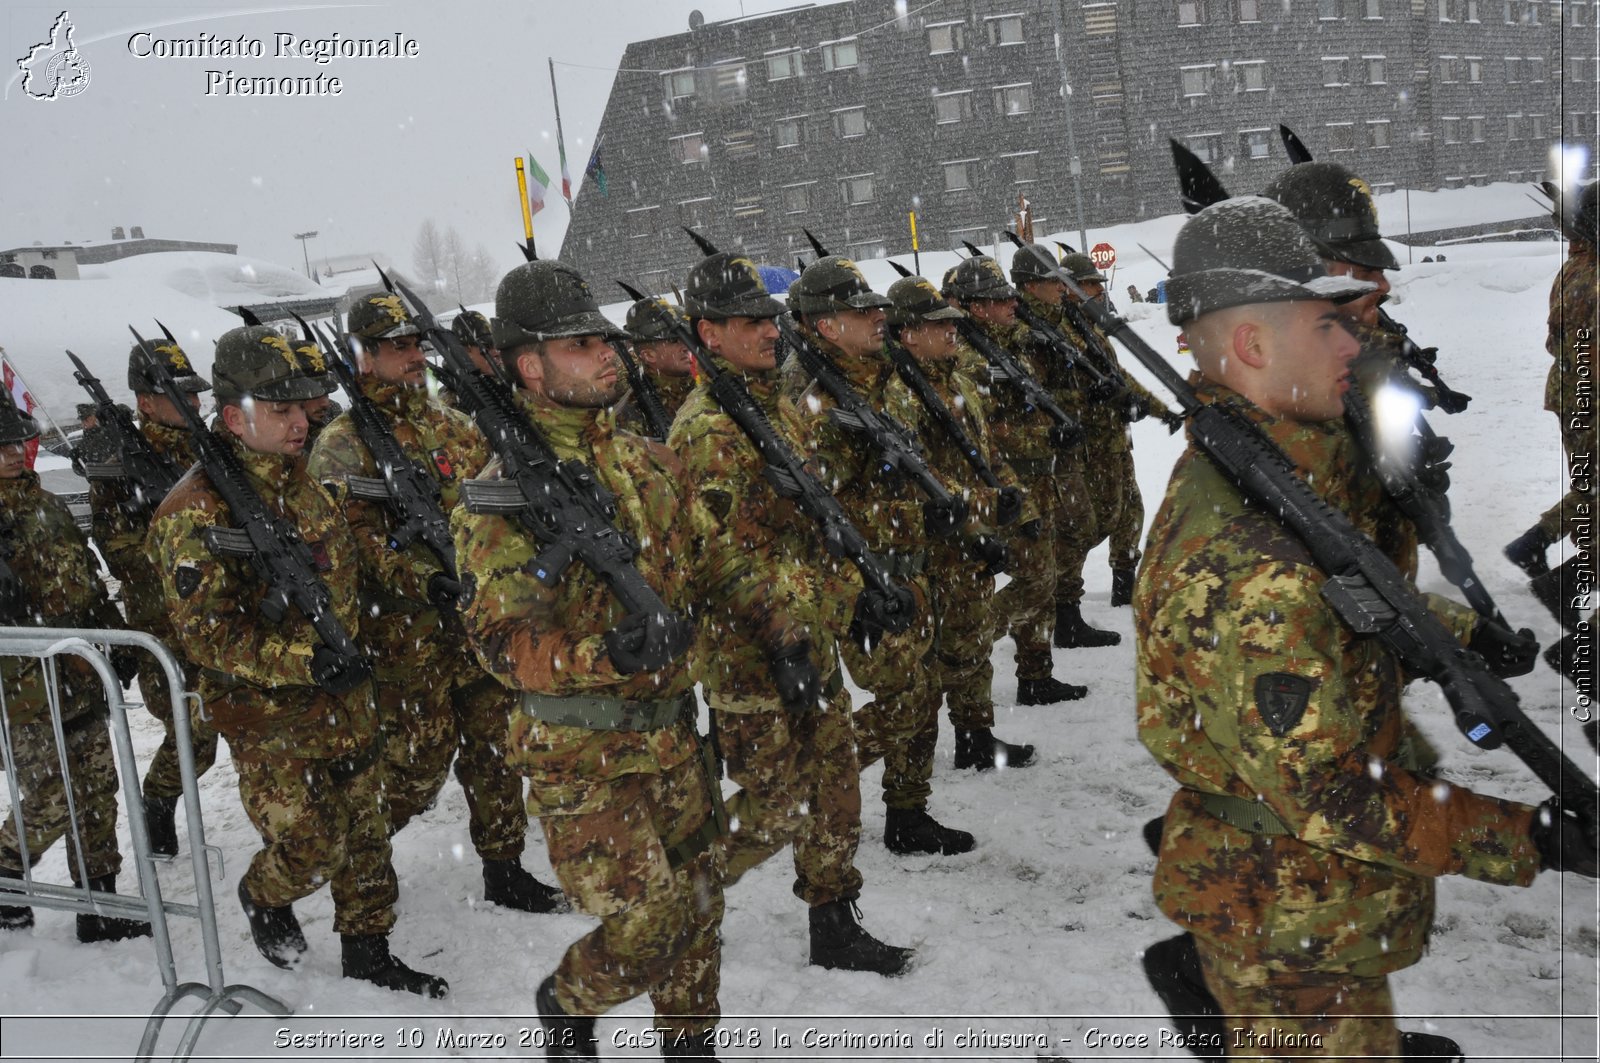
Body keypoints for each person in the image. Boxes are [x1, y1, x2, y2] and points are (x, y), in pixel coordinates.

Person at [1136, 197, 1590, 1059]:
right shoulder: (1244, 555)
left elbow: (1345, 600)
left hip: (1313, 909)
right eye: (1329, 323)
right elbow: (1333, 797)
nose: (1355, 343)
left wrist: (1449, 629)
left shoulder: (1288, 476)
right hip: (1284, 920)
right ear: (1253, 345)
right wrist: (1531, 838)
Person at [452, 259, 722, 1059]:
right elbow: (502, 644)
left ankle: (691, 1048)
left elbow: (706, 573)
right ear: (529, 365)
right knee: (648, 922)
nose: (609, 353)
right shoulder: (502, 495)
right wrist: (604, 652)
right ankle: (569, 998)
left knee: (700, 911)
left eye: (604, 338)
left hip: (676, 734)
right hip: (584, 752)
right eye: (581, 343)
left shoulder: (647, 463)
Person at [149, 324, 446, 997]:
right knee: (316, 841)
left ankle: (368, 949)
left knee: (367, 827)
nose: (300, 422)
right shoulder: (193, 512)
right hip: (269, 717)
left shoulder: (302, 482)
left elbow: (350, 565)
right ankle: (263, 892)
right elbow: (209, 636)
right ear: (232, 416)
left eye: (302, 408)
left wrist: (416, 585)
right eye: (280, 410)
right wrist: (304, 661)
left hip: (344, 694)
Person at [669, 247, 912, 975]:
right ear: (708, 333)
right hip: (751, 653)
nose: (770, 332)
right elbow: (720, 562)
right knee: (775, 804)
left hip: (810, 636)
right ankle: (681, 892)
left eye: (770, 319)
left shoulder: (779, 405)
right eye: (748, 322)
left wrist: (852, 592)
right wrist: (786, 635)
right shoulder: (706, 430)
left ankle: (833, 923)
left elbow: (812, 523)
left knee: (836, 787)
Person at [308, 293, 563, 914]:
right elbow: (351, 544)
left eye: (415, 343)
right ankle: (327, 860)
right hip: (402, 637)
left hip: (471, 623)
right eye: (396, 346)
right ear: (363, 357)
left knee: (496, 748)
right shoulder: (342, 445)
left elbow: (490, 505)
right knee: (413, 772)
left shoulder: (450, 426)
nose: (412, 356)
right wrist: (422, 581)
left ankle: (503, 867)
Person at [783, 256, 977, 855]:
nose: (876, 317)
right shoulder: (805, 401)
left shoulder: (884, 377)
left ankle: (908, 812)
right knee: (907, 698)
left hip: (905, 567)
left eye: (875, 307)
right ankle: (813, 784)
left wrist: (940, 504)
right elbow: (818, 507)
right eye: (859, 310)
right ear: (823, 326)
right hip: (853, 578)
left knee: (923, 689)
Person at [0, 389, 151, 944]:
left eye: (16, 439)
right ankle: (5, 877)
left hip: (79, 669)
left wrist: (114, 637)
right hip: (23, 687)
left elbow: (82, 579)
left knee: (95, 791)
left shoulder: (42, 501)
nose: (15, 452)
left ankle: (99, 901)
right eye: (1, 446)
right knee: (48, 799)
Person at [883, 274, 1035, 771]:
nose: (952, 331)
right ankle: (911, 791)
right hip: (938, 542)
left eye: (951, 323)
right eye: (937, 324)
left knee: (974, 640)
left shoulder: (961, 381)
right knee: (935, 661)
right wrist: (980, 513)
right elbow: (925, 477)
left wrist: (1012, 505)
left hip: (972, 534)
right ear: (907, 334)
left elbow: (985, 455)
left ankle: (976, 737)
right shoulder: (900, 393)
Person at [86, 341, 217, 858]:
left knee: (228, 717)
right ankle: (158, 802)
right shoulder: (122, 463)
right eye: (179, 393)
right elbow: (116, 547)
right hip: (163, 621)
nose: (195, 403)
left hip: (219, 614)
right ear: (145, 402)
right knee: (193, 733)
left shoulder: (211, 449)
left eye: (195, 392)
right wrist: (183, 557)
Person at [945, 255, 1090, 705]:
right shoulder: (967, 359)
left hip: (1036, 477)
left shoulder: (1009, 344)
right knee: (1034, 581)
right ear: (973, 307)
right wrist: (1046, 434)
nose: (1011, 303)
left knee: (1042, 578)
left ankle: (1036, 672)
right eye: (998, 298)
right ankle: (963, 649)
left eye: (1010, 295)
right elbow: (984, 434)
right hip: (1005, 485)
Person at [1503, 181, 1598, 682]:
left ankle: (1542, 549)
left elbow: (1554, 341)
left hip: (1572, 395)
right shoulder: (1596, 276)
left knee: (1593, 489)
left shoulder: (1573, 272)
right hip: (1592, 400)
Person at [1050, 252, 1178, 610]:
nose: (1098, 290)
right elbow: (1063, 391)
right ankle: (1058, 594)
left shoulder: (1088, 328)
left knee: (1130, 513)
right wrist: (1096, 400)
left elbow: (1121, 380)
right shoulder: (1059, 332)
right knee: (1092, 524)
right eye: (1090, 284)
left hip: (1114, 439)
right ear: (1069, 288)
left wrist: (1158, 409)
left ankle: (1124, 585)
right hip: (1089, 445)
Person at [616, 294, 698, 436]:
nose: (686, 346)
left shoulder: (708, 384)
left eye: (687, 337)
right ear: (649, 355)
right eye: (674, 340)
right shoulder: (634, 409)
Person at [290, 335, 343, 445]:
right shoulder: (276, 434)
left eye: (327, 394)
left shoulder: (333, 413)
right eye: (315, 394)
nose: (325, 404)